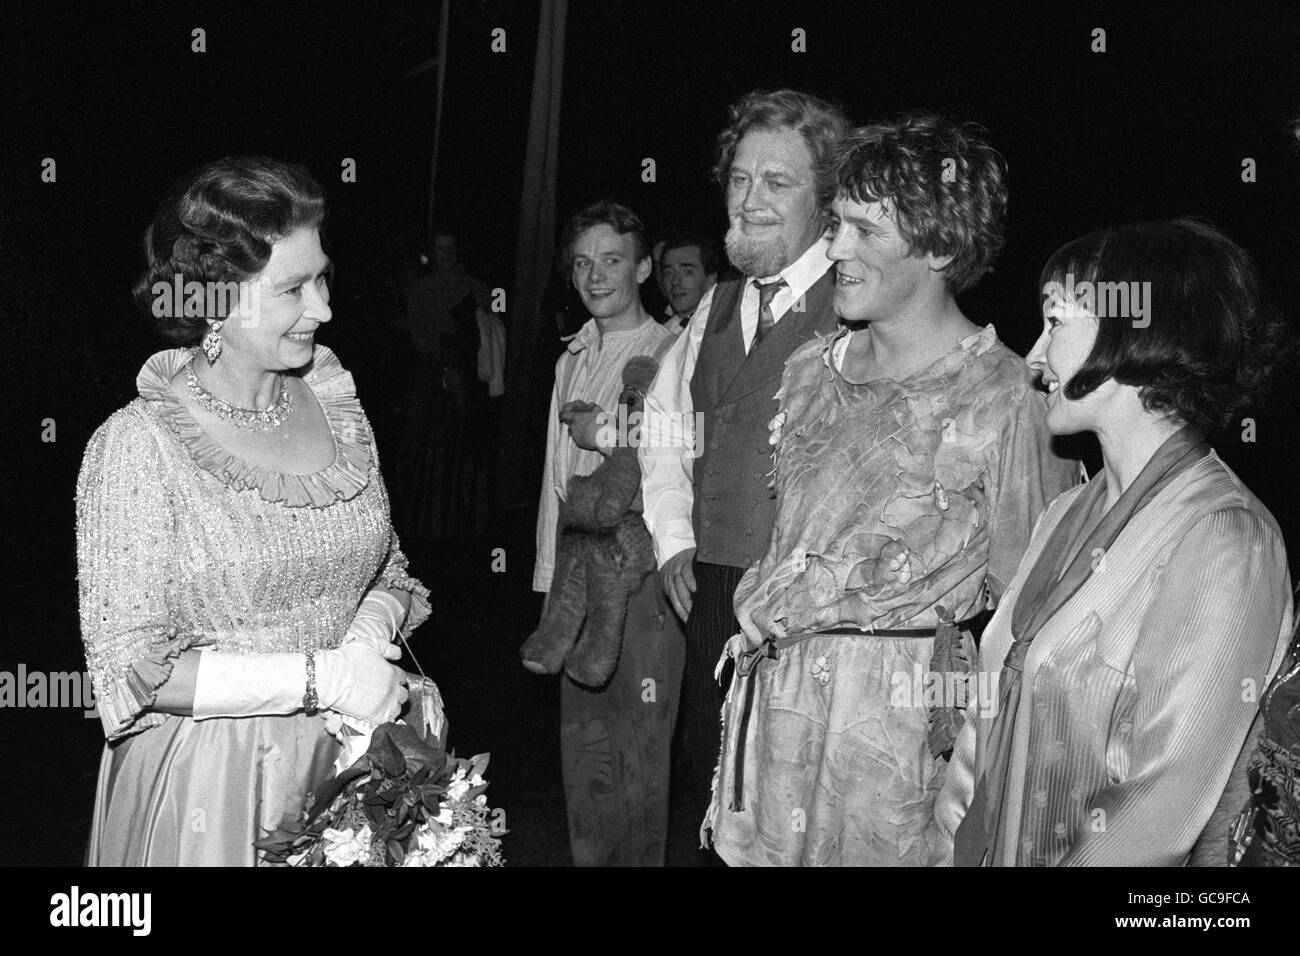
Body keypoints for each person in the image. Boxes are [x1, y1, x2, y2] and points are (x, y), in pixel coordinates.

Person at [704, 114, 1078, 866]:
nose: (836, 247)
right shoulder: (809, 369)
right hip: (771, 725)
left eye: (866, 231)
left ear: (941, 246)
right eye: (837, 224)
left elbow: (1031, 621)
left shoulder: (1010, 398)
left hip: (892, 752)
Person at [78, 156, 430, 866]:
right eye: (293, 288)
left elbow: (386, 567)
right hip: (216, 784)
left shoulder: (335, 402)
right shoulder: (138, 446)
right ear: (213, 301)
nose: (324, 308)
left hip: (354, 755)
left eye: (322, 276)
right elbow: (128, 672)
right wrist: (319, 677)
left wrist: (365, 637)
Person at [937, 218, 1293, 866]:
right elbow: (983, 726)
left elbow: (1159, 807)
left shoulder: (1225, 540)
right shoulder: (1066, 510)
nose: (1036, 357)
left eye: (1056, 323)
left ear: (1139, 333)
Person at [640, 90, 848, 861]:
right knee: (713, 792)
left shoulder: (860, 301)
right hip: (714, 591)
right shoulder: (713, 307)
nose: (750, 200)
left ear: (827, 202)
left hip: (814, 606)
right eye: (738, 179)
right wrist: (672, 541)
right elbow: (663, 432)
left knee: (796, 802)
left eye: (778, 182)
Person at [532, 200, 685, 866]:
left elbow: (689, 446)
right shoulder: (571, 359)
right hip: (575, 577)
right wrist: (544, 578)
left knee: (640, 756)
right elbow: (553, 483)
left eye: (613, 260)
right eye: (583, 263)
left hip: (643, 579)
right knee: (585, 754)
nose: (595, 276)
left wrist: (611, 431)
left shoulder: (673, 349)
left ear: (644, 267)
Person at [395, 230, 495, 538]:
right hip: (430, 379)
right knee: (422, 446)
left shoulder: (477, 288)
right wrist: (438, 356)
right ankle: (418, 524)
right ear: (433, 252)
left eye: (451, 247)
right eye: (441, 249)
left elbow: (489, 334)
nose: (447, 254)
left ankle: (460, 523)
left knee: (463, 450)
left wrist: (463, 349)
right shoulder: (420, 289)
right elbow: (416, 335)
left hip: (465, 381)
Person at [659, 231, 720, 331]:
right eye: (668, 273)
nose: (675, 281)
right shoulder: (660, 335)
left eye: (687, 272)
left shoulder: (727, 329)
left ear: (711, 279)